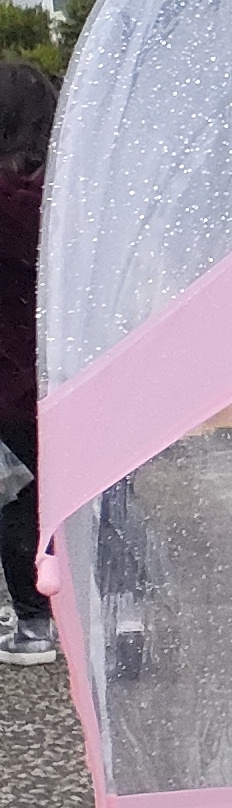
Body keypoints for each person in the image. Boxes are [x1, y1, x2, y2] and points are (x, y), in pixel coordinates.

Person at [0, 60, 50, 668]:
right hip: (74, 371)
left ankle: (36, 625)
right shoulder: (69, 192)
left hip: (9, 383)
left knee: (17, 498)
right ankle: (122, 611)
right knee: (98, 492)